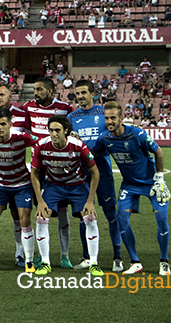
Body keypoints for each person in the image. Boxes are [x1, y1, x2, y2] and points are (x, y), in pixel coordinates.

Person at [92, 101, 171, 276]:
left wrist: (159, 178)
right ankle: (135, 261)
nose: (109, 121)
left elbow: (158, 152)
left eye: (113, 118)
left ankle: (164, 261)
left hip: (151, 183)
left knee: (162, 219)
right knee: (122, 219)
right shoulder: (105, 138)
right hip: (129, 185)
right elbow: (92, 154)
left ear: (121, 118)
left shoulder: (137, 134)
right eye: (106, 118)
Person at [30, 115, 104, 277]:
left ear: (66, 131)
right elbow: (34, 173)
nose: (54, 134)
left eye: (57, 130)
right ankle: (45, 262)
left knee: (90, 217)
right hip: (53, 186)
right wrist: (40, 201)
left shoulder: (78, 145)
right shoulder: (41, 145)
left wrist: (90, 201)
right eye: (51, 130)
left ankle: (94, 263)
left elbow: (95, 172)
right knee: (41, 218)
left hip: (77, 186)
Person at [68, 81, 124, 272]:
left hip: (103, 172)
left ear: (93, 94)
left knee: (110, 214)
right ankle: (87, 257)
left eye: (84, 92)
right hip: (81, 174)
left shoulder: (103, 113)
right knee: (85, 216)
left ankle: (117, 257)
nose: (80, 96)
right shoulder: (71, 117)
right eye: (77, 93)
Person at [0, 108, 39, 273]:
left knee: (24, 221)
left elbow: (40, 141)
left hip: (22, 185)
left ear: (11, 124)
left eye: (3, 124)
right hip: (0, 186)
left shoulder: (21, 137)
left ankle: (29, 261)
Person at [22, 78, 75, 268]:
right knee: (41, 213)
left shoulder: (64, 108)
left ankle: (64, 255)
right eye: (34, 89)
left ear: (51, 90)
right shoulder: (28, 107)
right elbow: (26, 133)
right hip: (39, 167)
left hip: (59, 166)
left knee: (62, 211)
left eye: (39, 89)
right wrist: (40, 142)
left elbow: (70, 133)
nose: (35, 92)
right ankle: (41, 254)